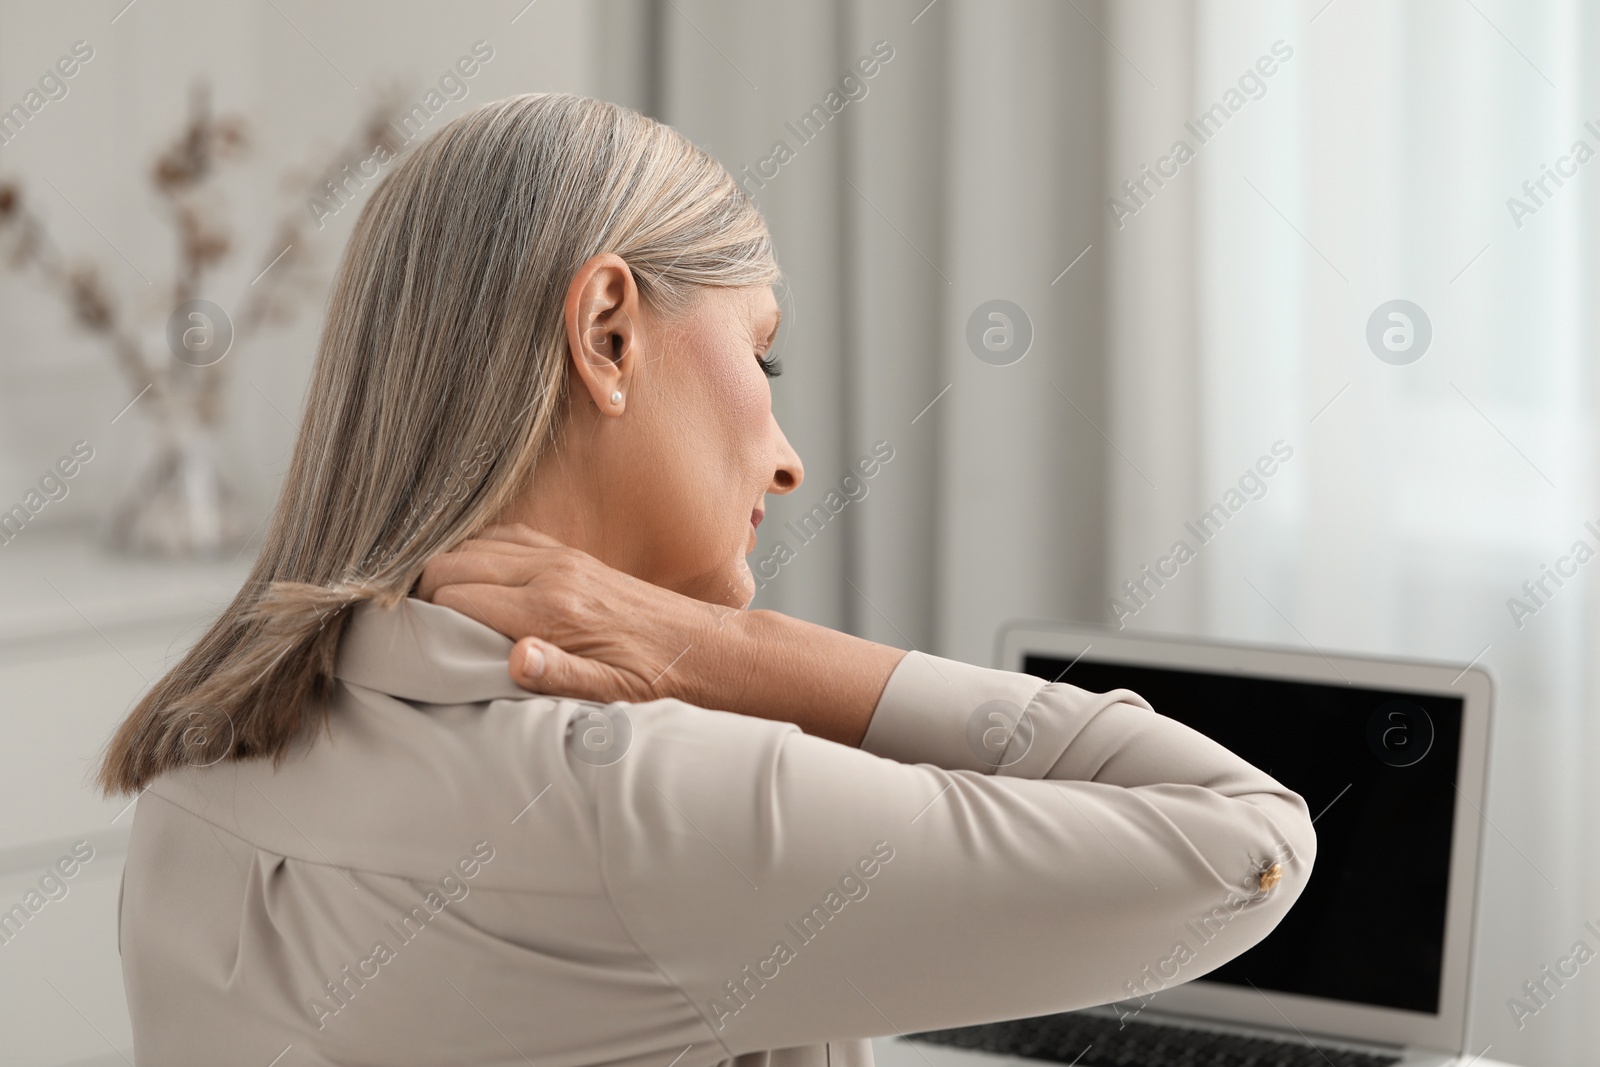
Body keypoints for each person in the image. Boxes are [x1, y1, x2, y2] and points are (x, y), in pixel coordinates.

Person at [97, 93, 1316, 1067]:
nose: (786, 460)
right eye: (761, 351)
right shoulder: (640, 801)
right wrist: (731, 650)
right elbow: (1246, 849)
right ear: (608, 333)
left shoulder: (198, 748)